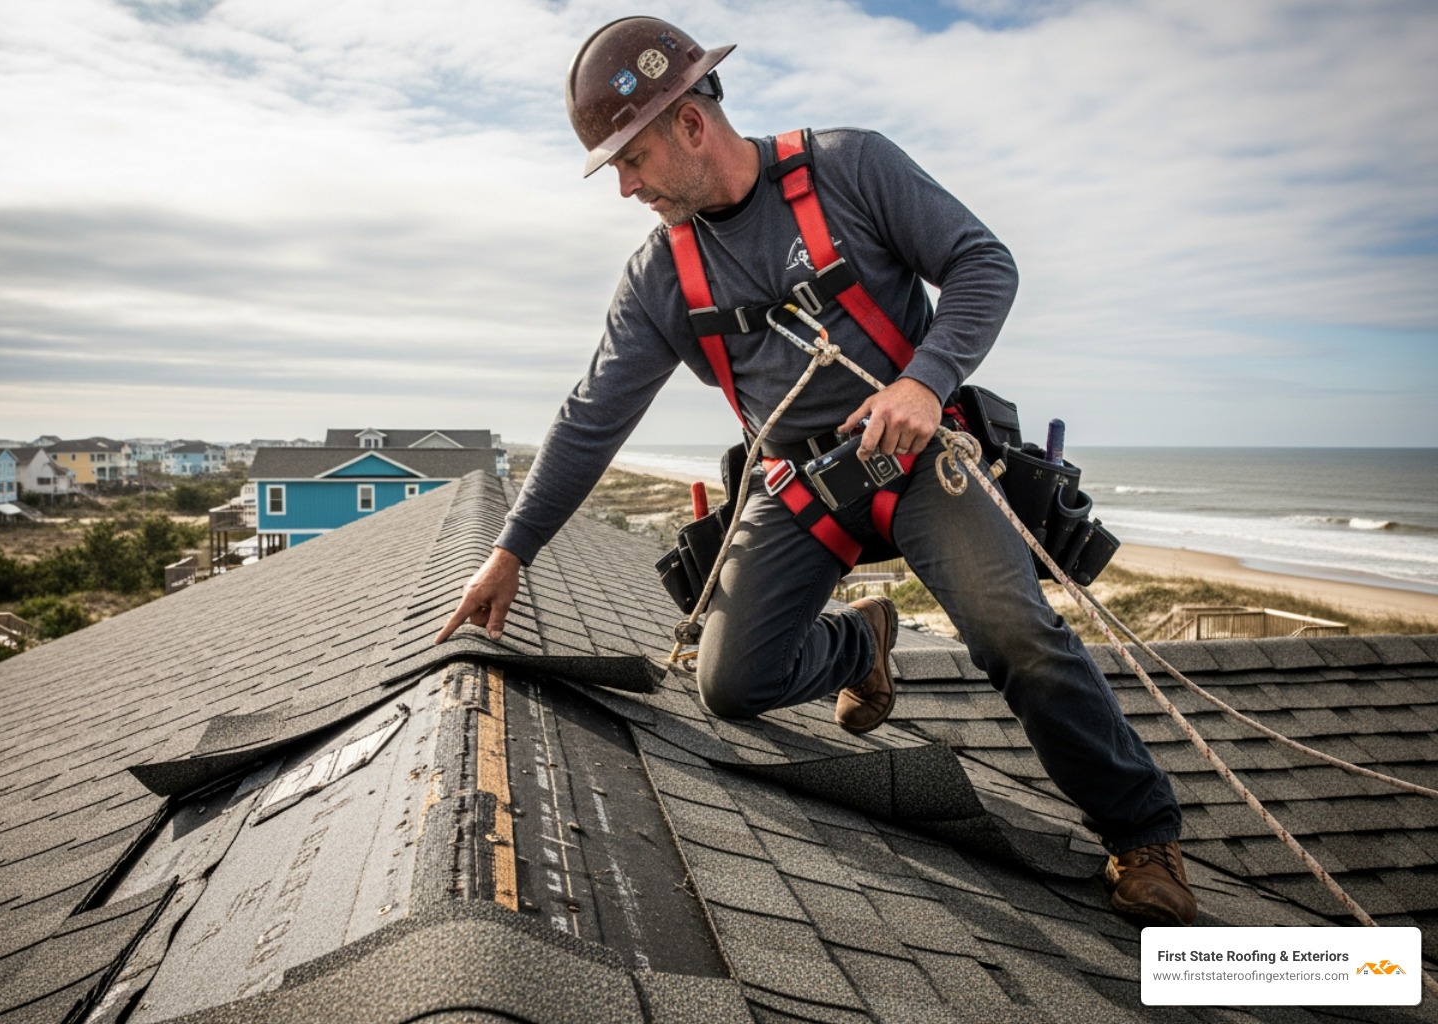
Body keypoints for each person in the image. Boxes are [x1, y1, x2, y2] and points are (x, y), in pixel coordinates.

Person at [437, 16, 1196, 926]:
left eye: (631, 160)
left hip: (919, 461)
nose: (625, 187)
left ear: (690, 122)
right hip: (803, 494)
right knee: (730, 684)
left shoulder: (851, 168)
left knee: (1014, 629)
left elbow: (983, 263)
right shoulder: (659, 279)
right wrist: (511, 552)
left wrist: (925, 380)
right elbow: (590, 418)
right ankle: (860, 641)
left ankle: (1141, 836)